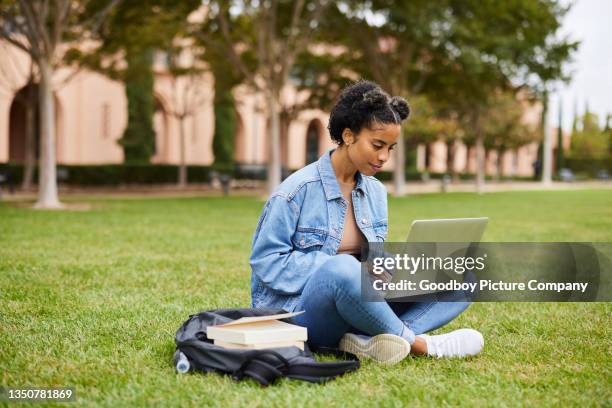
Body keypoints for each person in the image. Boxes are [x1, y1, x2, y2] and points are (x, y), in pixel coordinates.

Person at [249, 80, 483, 364]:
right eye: (377, 145)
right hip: (300, 314)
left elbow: (371, 262)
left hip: (359, 305)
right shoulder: (296, 191)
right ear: (348, 136)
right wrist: (351, 268)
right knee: (342, 268)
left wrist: (392, 267)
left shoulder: (375, 192)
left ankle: (375, 340)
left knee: (463, 272)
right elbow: (266, 261)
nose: (384, 157)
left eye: (391, 148)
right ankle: (417, 343)